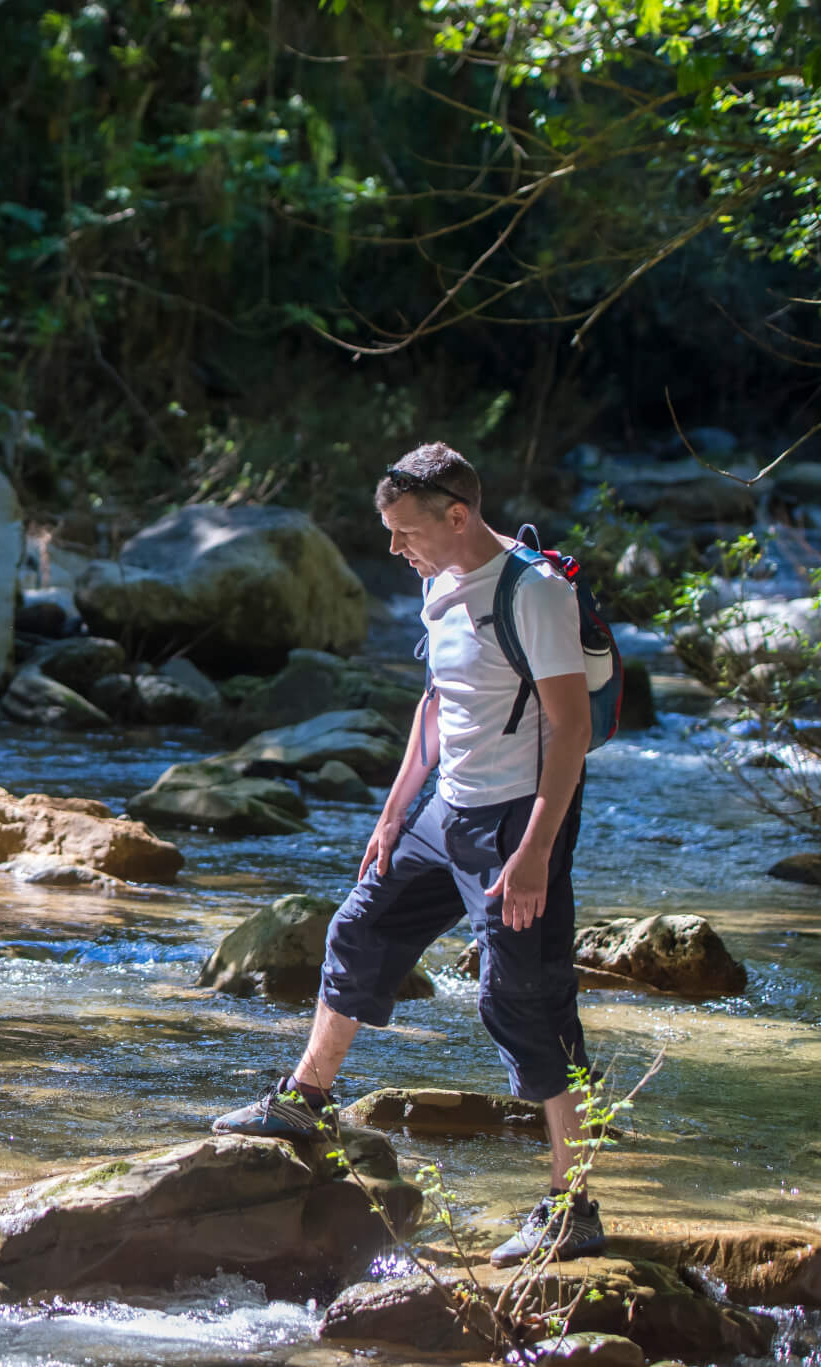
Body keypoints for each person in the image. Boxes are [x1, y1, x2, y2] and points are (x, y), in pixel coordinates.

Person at [211, 442, 604, 1267]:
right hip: (447, 811)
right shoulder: (437, 583)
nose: (394, 548)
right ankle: (305, 1102)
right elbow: (438, 702)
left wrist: (534, 851)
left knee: (522, 998)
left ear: (457, 515)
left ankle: (575, 1207)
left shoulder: (534, 593)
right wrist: (395, 812)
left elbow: (572, 728)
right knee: (360, 928)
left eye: (403, 530)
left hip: (516, 822)